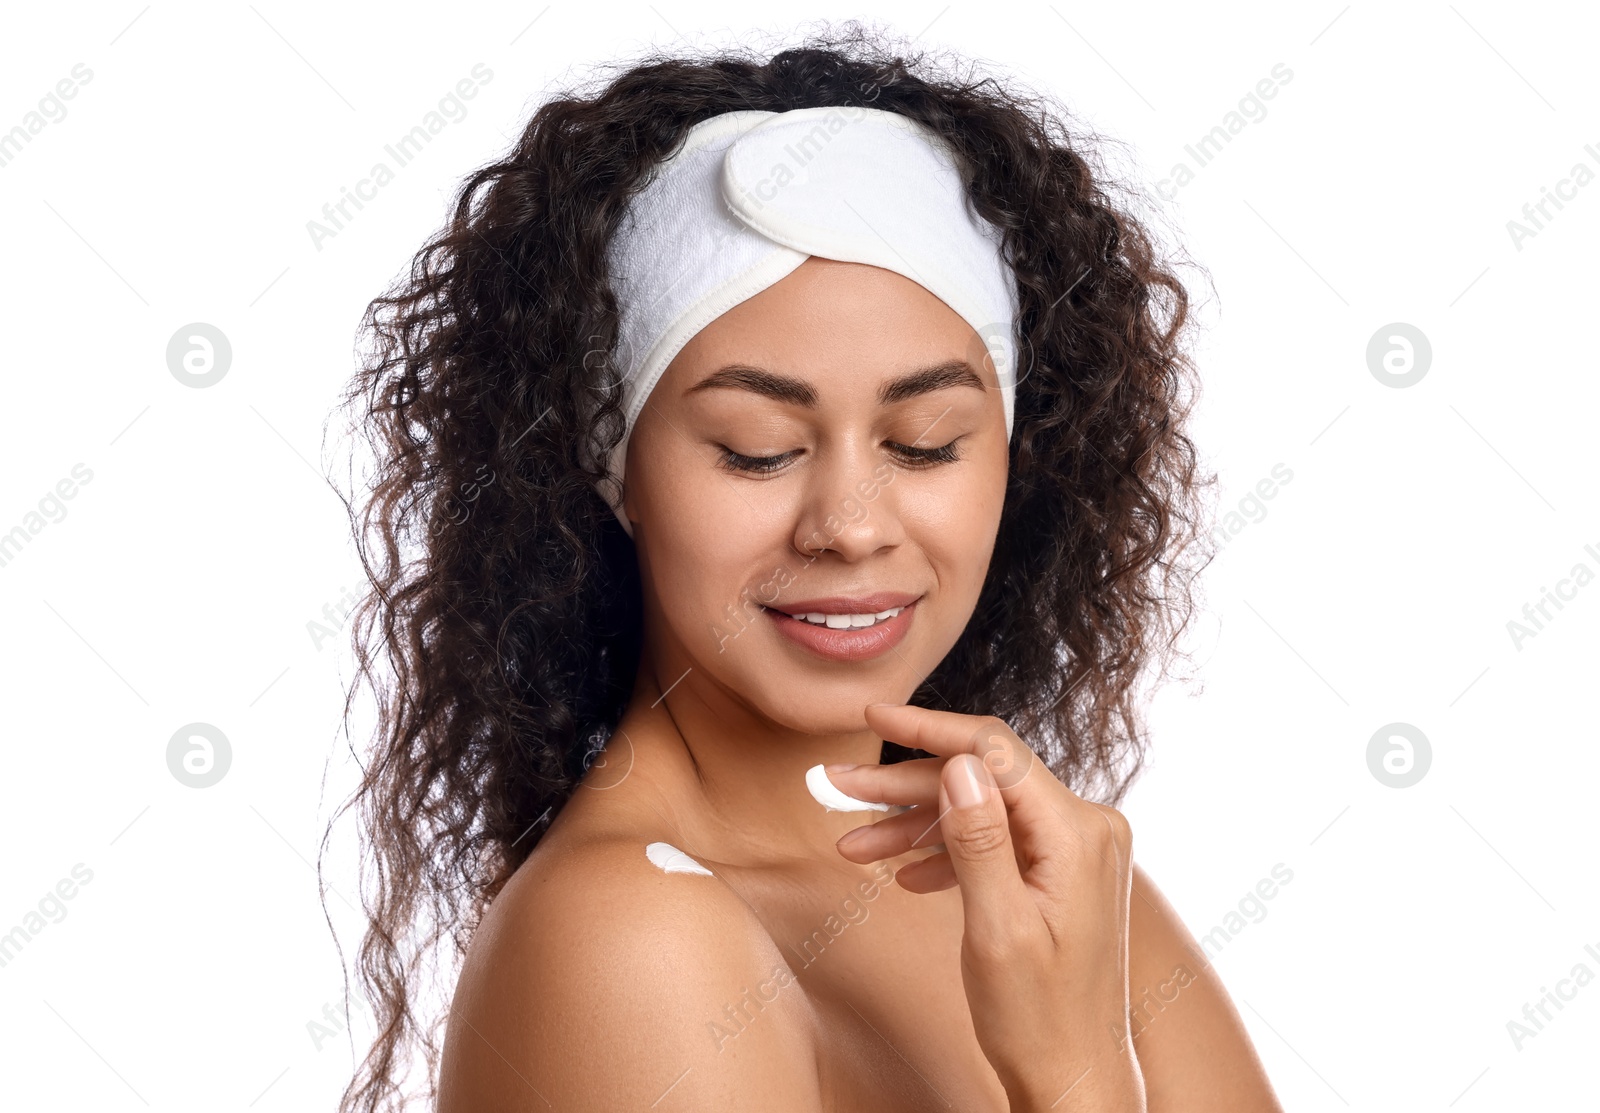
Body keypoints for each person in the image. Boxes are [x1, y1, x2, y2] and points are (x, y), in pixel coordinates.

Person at [330, 25, 1282, 1113]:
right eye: (757, 449)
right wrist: (1075, 1073)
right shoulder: (629, 940)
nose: (849, 525)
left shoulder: (1053, 890)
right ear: (610, 467)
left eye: (925, 441)